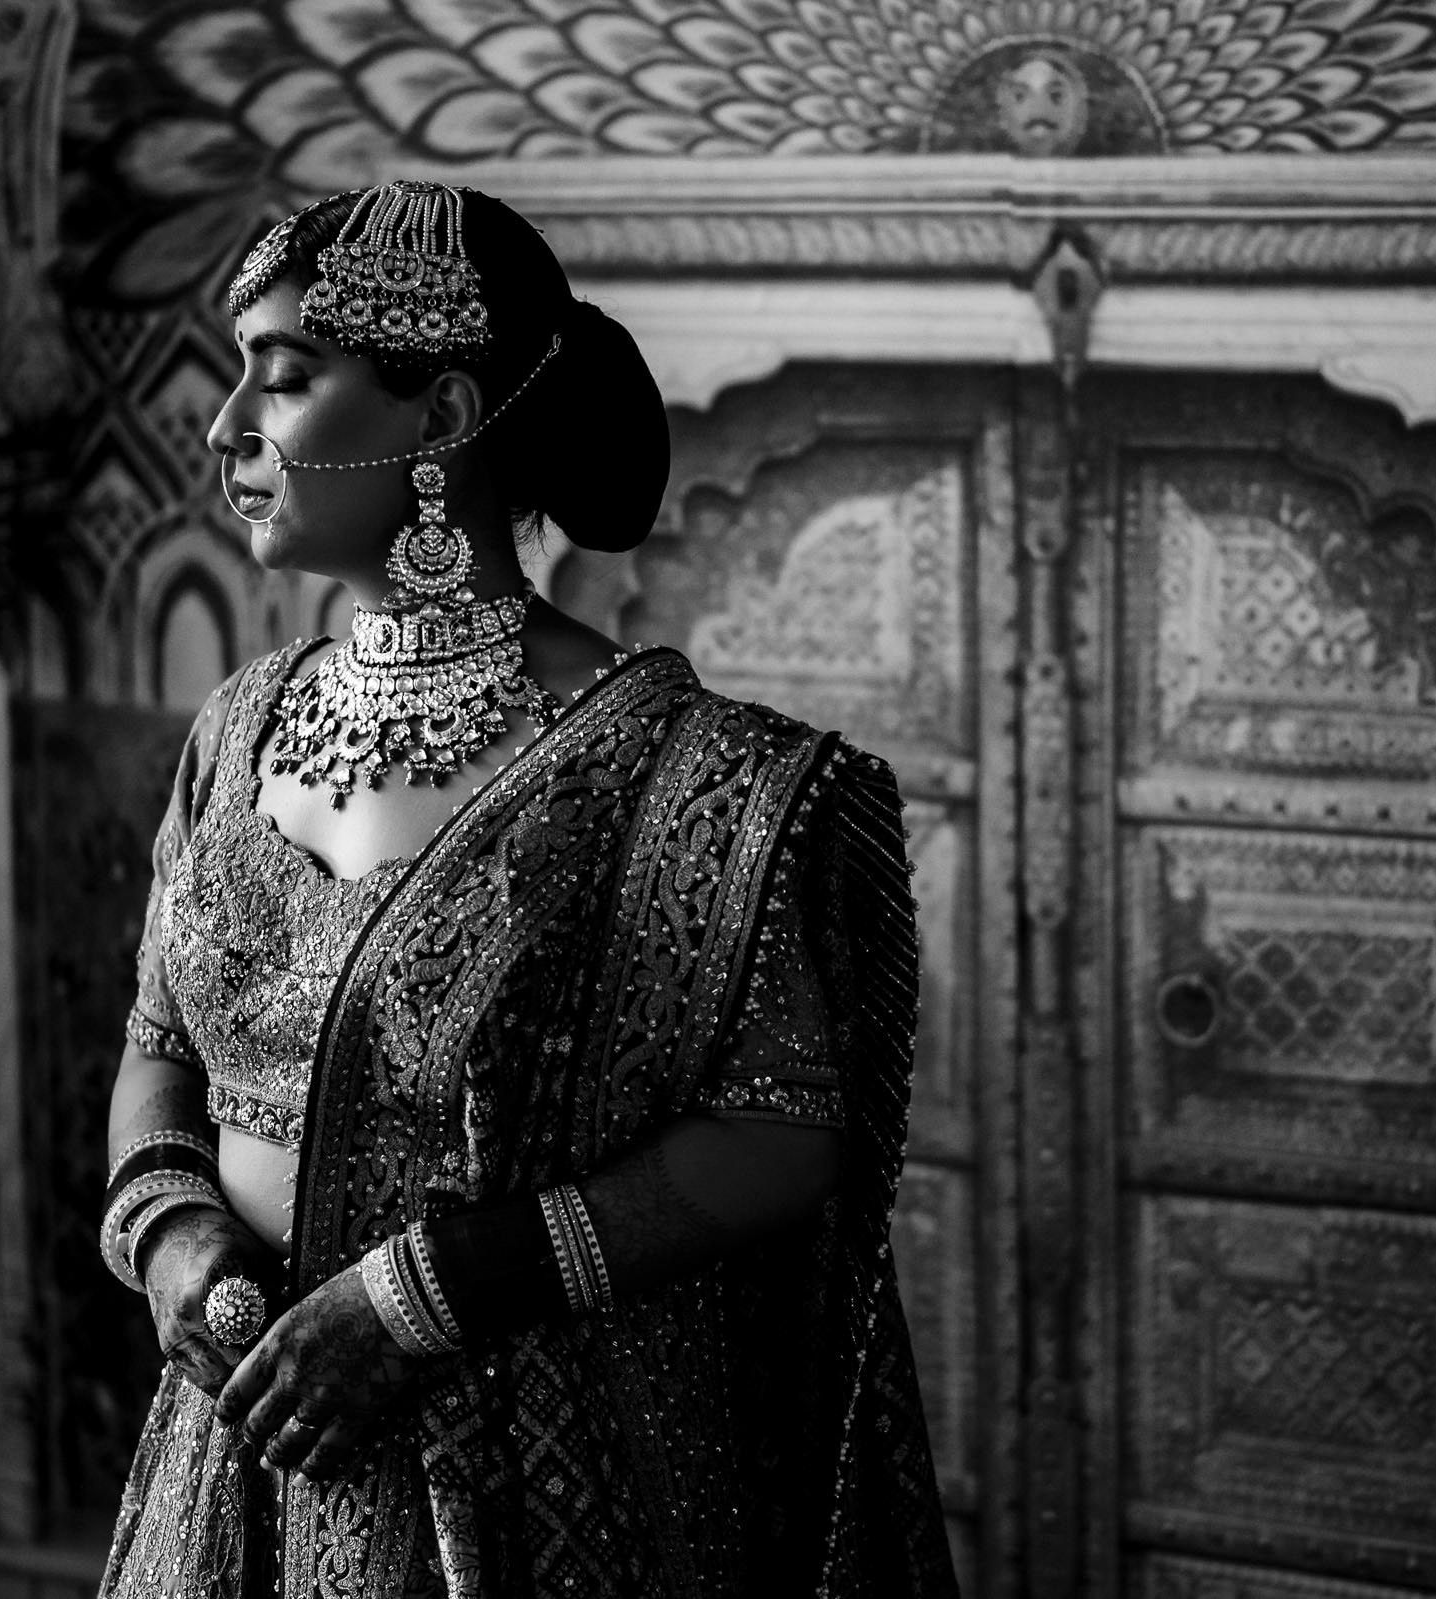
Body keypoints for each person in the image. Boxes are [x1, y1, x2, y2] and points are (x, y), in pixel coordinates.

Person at [98, 180, 956, 1597]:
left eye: (289, 379)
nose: (226, 425)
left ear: (439, 424)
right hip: (238, 1450)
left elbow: (785, 1130)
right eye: (238, 372)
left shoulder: (685, 776)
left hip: (529, 1476)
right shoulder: (237, 728)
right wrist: (179, 1242)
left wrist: (424, 1293)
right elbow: (157, 1052)